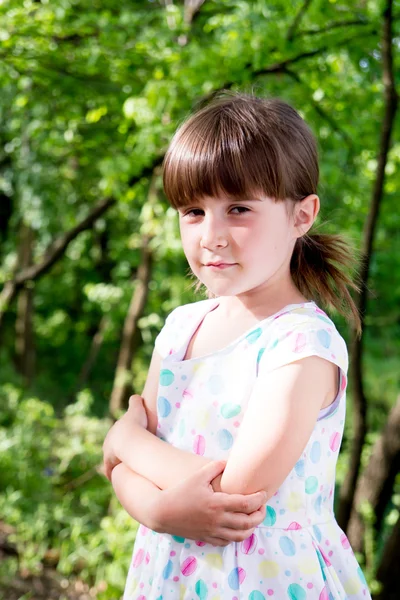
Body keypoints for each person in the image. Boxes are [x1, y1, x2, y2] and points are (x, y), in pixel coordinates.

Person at [103, 92, 371, 600]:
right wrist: (156, 510)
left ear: (302, 215)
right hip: (171, 575)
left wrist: (124, 440)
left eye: (240, 208)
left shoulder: (302, 344)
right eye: (193, 212)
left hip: (268, 580)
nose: (212, 236)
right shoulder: (181, 329)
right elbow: (122, 472)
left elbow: (236, 494)